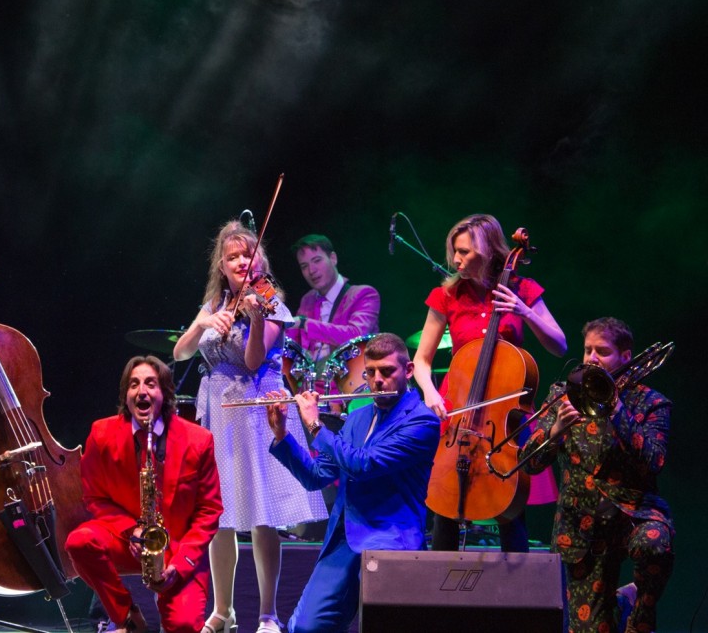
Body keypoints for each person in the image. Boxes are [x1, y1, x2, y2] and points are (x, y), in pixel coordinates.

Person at [173, 220, 327, 633]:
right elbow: (180, 351)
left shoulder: (269, 300)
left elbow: (255, 361)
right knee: (217, 516)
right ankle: (223, 612)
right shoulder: (215, 303)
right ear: (221, 266)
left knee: (263, 514)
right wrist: (205, 323)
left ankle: (267, 614)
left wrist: (255, 320)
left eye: (247, 254)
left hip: (259, 410)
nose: (241, 260)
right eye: (232, 256)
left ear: (259, 259)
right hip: (219, 412)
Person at [411, 213, 567, 552]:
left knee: (511, 511)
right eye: (454, 251)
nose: (456, 260)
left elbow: (560, 344)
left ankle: (517, 599)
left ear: (487, 247)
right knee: (445, 510)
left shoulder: (522, 289)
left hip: (505, 416)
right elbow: (422, 360)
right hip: (461, 412)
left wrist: (525, 311)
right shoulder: (446, 295)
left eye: (465, 252)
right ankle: (438, 595)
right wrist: (430, 392)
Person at [265, 333, 440, 633]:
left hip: (390, 541)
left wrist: (316, 425)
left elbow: (364, 464)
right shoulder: (357, 418)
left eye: (387, 371)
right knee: (305, 628)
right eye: (370, 373)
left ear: (408, 371)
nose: (377, 381)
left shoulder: (422, 422)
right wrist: (282, 434)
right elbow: (316, 476)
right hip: (345, 540)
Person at [520, 318, 674, 633]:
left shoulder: (652, 402)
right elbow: (528, 465)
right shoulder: (563, 395)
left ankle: (640, 606)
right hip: (581, 528)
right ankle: (618, 603)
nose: (591, 358)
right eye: (588, 349)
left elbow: (653, 461)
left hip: (633, 514)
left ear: (625, 357)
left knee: (655, 544)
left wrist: (616, 407)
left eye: (602, 351)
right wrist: (554, 432)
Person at [66, 355, 223, 633]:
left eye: (150, 384)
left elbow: (210, 511)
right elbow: (94, 498)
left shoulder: (199, 440)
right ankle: (126, 617)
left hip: (177, 548)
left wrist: (182, 563)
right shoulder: (100, 434)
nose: (142, 391)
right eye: (134, 384)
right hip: (129, 541)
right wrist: (132, 530)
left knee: (185, 625)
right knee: (80, 542)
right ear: (126, 395)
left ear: (164, 393)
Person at [284, 234, 380, 364]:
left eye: (317, 260)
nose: (311, 270)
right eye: (304, 266)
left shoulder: (364, 294)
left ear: (333, 258)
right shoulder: (307, 299)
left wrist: (305, 323)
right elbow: (291, 342)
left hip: (350, 381)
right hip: (311, 382)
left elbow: (357, 337)